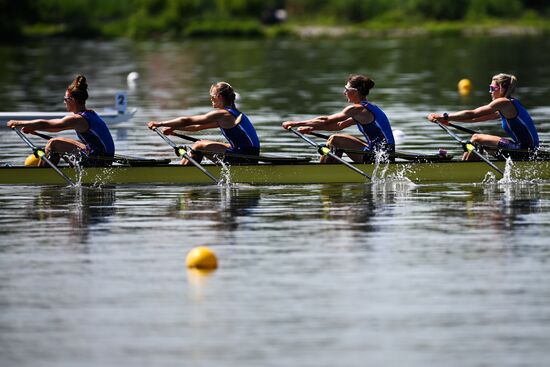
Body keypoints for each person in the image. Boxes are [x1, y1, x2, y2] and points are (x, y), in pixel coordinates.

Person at [282, 74, 395, 163]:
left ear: (355, 92)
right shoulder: (368, 108)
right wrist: (311, 128)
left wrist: (294, 123)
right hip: (384, 153)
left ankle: (323, 172)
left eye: (346, 89)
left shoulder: (357, 109)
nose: (344, 92)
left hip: (380, 157)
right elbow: (338, 125)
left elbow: (326, 120)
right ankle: (331, 168)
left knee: (335, 140)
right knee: (336, 138)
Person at [7, 74, 115, 166]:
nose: (64, 102)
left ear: (72, 100)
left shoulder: (78, 119)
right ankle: (50, 172)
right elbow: (53, 128)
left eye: (65, 99)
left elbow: (49, 125)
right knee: (57, 141)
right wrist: (34, 130)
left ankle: (41, 175)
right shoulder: (90, 114)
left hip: (100, 161)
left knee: (53, 143)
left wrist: (18, 123)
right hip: (102, 157)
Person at [428, 73, 539, 160]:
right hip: (527, 150)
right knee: (477, 144)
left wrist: (444, 116)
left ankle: (464, 168)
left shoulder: (503, 103)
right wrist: (449, 122)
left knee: (476, 138)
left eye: (492, 88)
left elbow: (472, 113)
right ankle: (466, 165)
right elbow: (474, 118)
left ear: (501, 88)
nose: (490, 91)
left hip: (525, 151)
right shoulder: (508, 105)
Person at [147, 82, 260, 165]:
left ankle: (181, 173)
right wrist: (174, 130)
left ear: (219, 97)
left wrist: (159, 123)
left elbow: (188, 120)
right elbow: (197, 127)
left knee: (198, 146)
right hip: (249, 154)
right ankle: (186, 166)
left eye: (212, 97)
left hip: (245, 157)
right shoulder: (233, 113)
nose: (211, 99)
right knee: (202, 142)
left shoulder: (223, 114)